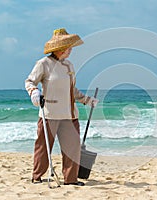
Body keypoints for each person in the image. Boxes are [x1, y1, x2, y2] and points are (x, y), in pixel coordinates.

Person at [25, 28, 98, 186]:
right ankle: (37, 176)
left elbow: (72, 91)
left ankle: (71, 179)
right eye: (68, 47)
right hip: (49, 114)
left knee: (73, 148)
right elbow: (30, 81)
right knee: (43, 148)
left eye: (71, 47)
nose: (71, 50)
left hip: (70, 115)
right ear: (59, 48)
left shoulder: (70, 65)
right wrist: (34, 93)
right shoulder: (43, 64)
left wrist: (87, 100)